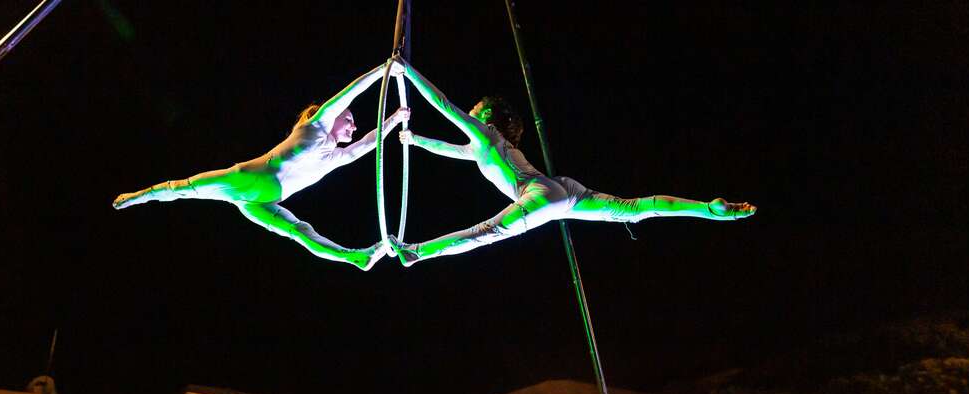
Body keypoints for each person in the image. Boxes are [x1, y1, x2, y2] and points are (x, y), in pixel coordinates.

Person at [389, 61, 754, 265]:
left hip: (539, 195)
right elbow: (452, 150)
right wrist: (416, 140)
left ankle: (417, 252)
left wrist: (408, 71)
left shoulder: (484, 133)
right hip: (560, 189)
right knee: (633, 210)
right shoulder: (483, 147)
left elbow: (444, 105)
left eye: (478, 108)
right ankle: (708, 209)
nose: (472, 109)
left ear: (488, 117)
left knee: (487, 233)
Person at [114, 63, 410, 270]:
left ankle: (355, 258)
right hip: (248, 180)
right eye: (349, 120)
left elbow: (370, 144)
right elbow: (349, 93)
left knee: (301, 231)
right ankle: (139, 195)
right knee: (187, 188)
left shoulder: (334, 156)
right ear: (333, 117)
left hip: (262, 201)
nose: (354, 126)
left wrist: (394, 119)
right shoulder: (315, 127)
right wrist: (382, 72)